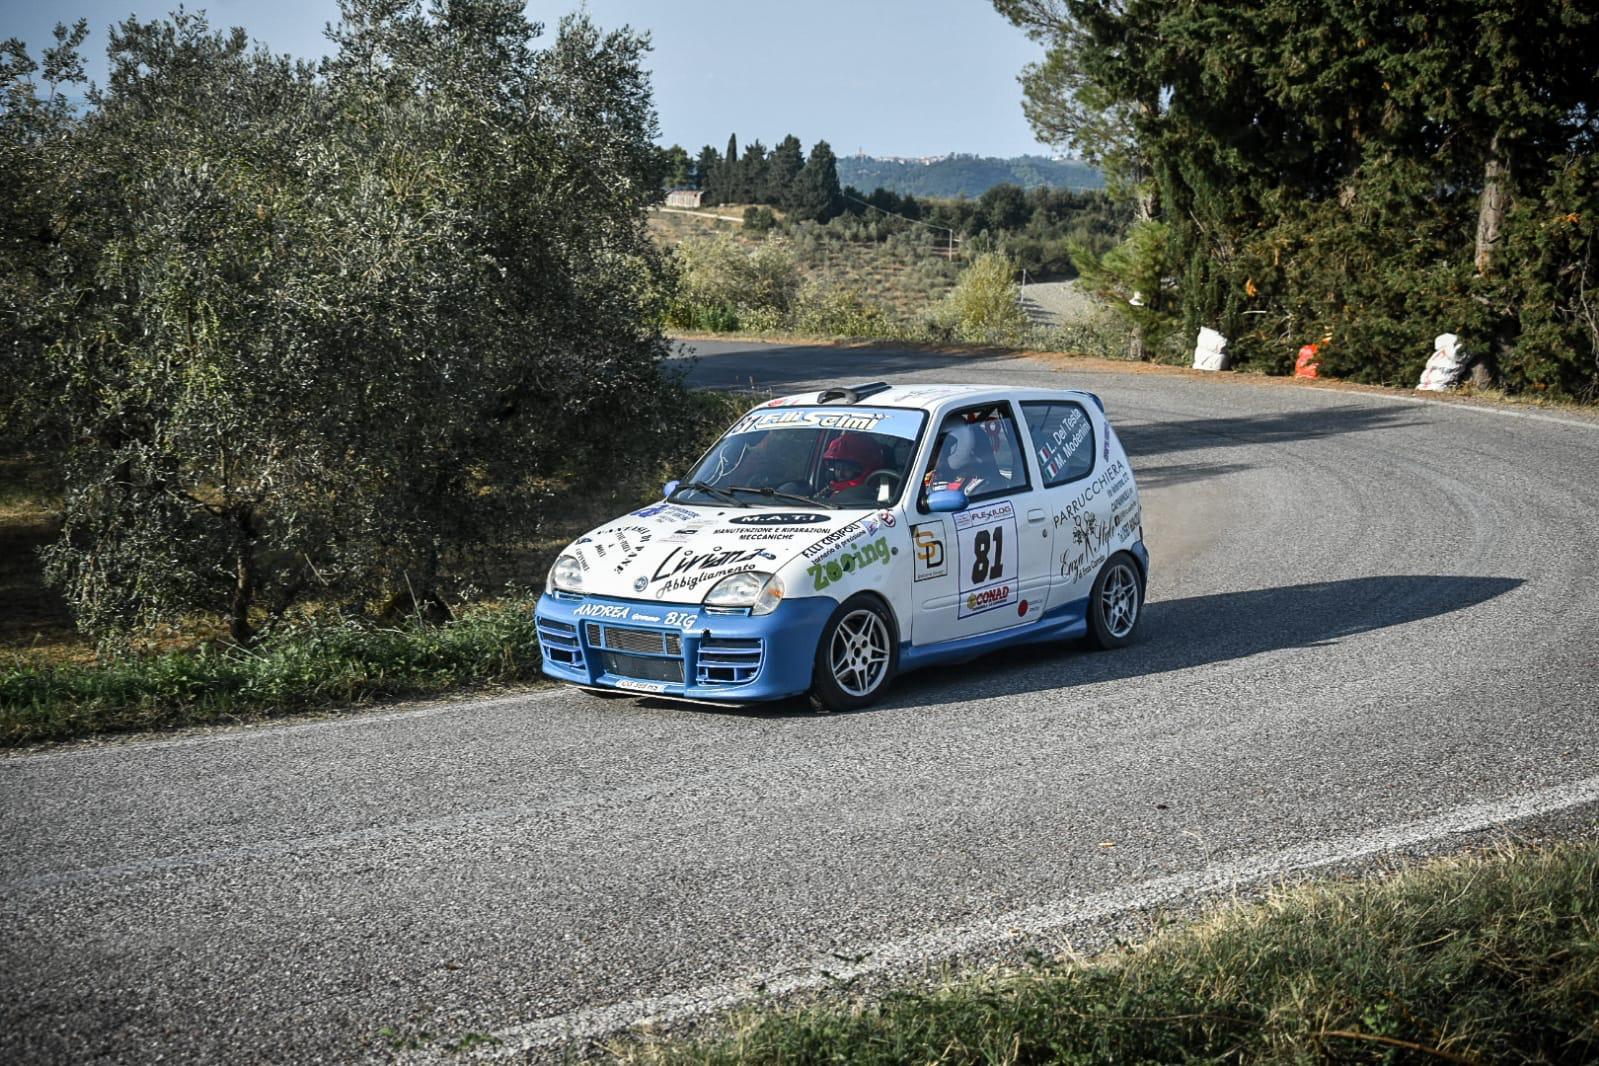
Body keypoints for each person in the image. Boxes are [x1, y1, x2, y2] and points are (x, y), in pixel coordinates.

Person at [820, 432, 886, 498]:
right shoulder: (828, 494)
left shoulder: (883, 496)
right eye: (838, 468)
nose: (840, 474)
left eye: (847, 468)